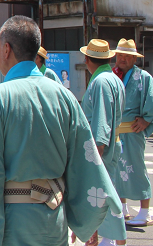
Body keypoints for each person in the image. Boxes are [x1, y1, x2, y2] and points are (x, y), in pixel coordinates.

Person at [0, 16, 122, 246]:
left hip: (11, 221)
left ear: (6, 49)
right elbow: (84, 161)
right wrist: (84, 221)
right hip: (55, 218)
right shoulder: (65, 97)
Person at [81, 38, 127, 246]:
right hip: (113, 144)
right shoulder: (114, 78)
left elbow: (101, 121)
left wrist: (95, 156)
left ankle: (107, 241)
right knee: (108, 194)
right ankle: (112, 240)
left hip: (101, 149)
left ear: (87, 59)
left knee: (100, 197)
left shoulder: (100, 81)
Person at [110, 39, 153, 227]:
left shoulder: (144, 77)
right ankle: (123, 207)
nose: (123, 59)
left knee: (136, 169)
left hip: (134, 130)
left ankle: (144, 212)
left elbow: (151, 98)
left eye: (127, 56)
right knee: (117, 170)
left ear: (134, 59)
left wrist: (147, 119)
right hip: (116, 130)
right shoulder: (112, 75)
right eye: (120, 55)